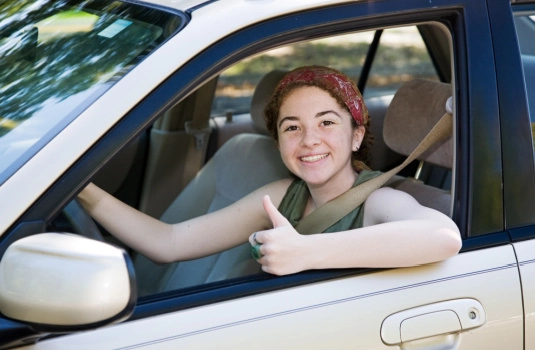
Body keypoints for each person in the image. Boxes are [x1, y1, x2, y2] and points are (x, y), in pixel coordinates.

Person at [78, 65, 461, 276]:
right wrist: (81, 189)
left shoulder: (380, 202)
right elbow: (170, 243)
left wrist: (307, 252)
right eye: (292, 127)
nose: (309, 139)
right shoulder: (280, 195)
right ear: (278, 143)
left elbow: (443, 237)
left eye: (327, 123)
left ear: (357, 135)